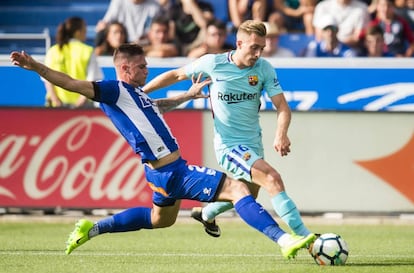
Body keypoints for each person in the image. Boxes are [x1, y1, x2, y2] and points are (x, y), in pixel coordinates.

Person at [10, 44, 316, 258]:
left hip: (158, 173)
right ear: (125, 68)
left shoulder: (136, 95)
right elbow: (71, 83)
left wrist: (188, 94)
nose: (147, 69)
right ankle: (285, 239)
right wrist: (36, 66)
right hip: (172, 169)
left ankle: (93, 229)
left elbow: (159, 107)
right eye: (142, 65)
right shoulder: (114, 90)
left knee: (161, 220)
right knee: (239, 190)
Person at [143, 20, 316, 242]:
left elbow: (282, 107)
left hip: (253, 143)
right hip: (229, 146)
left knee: (249, 193)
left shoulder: (264, 69)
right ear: (239, 43)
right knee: (272, 178)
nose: (258, 53)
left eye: (261, 48)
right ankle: (306, 238)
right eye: (253, 47)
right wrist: (141, 93)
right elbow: (176, 74)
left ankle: (206, 213)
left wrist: (281, 133)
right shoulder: (213, 64)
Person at [44, 16, 104, 108]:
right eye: (84, 29)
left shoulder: (53, 51)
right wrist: (79, 103)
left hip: (54, 106)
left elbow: (46, 78)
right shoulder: (87, 50)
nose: (86, 33)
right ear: (77, 32)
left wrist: (55, 100)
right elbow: (92, 79)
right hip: (82, 107)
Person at [95, 0, 161, 43]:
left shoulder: (155, 6)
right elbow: (103, 25)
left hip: (144, 45)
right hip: (122, 45)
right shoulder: (118, 2)